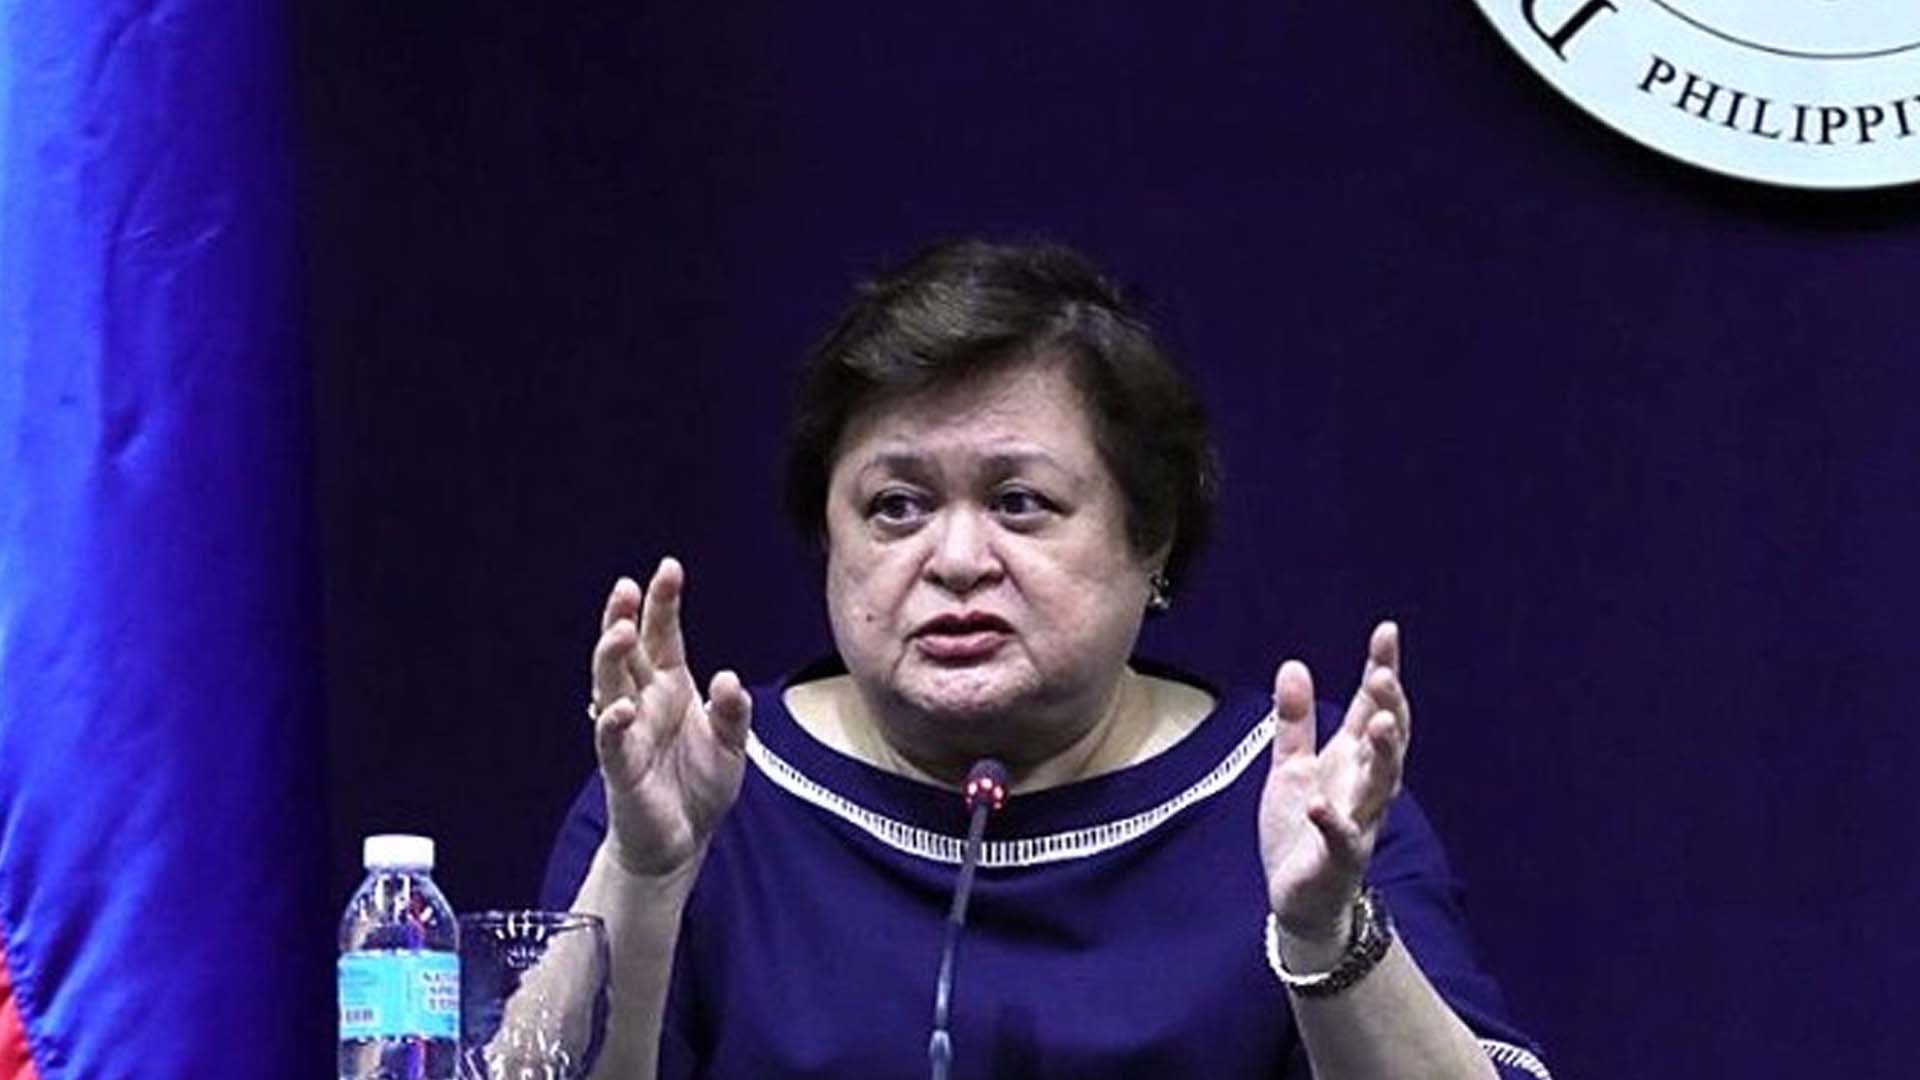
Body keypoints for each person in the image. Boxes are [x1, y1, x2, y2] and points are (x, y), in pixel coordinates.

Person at [541, 240, 1551, 1079]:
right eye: (897, 506)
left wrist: (1328, 937)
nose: (957, 560)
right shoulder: (700, 791)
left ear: (1152, 539)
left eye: (1020, 503)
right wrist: (643, 876)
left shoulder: (1298, 795)